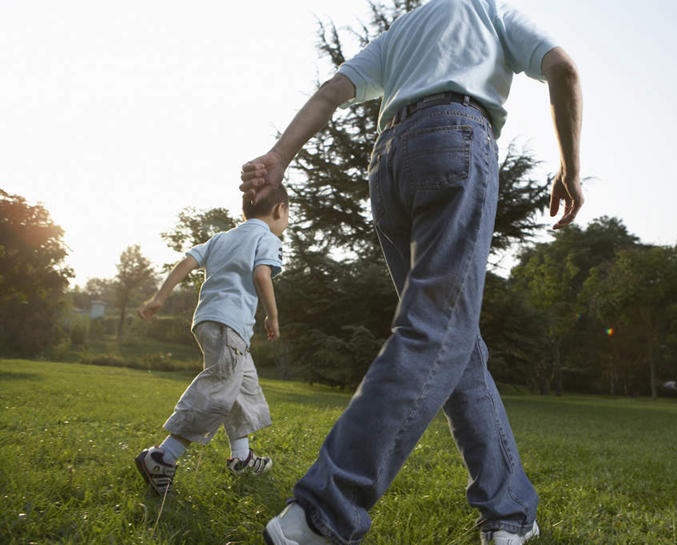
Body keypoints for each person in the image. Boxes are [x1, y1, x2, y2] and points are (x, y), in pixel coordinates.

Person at [241, 0, 582, 543]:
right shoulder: (489, 12)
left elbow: (332, 91)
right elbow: (562, 68)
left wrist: (279, 157)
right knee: (435, 332)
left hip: (390, 162)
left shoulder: (404, 28)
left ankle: (508, 514)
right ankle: (322, 512)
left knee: (454, 343)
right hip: (457, 139)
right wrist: (569, 166)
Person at [134, 182, 289, 496]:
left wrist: (159, 298)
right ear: (279, 210)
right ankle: (163, 457)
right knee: (218, 388)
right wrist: (272, 316)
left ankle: (242, 457)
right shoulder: (267, 238)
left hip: (208, 322)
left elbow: (187, 263)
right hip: (230, 325)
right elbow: (262, 275)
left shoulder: (222, 237)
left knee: (243, 388)